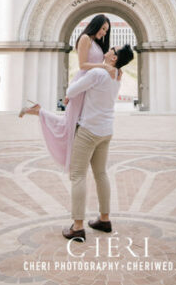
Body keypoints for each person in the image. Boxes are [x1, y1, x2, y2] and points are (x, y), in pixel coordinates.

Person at [19, 14, 110, 172]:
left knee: (77, 121)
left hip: (89, 85)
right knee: (69, 123)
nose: (104, 33)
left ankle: (39, 111)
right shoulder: (85, 39)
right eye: (103, 29)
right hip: (82, 84)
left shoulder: (95, 42)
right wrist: (103, 67)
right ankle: (38, 112)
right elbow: (82, 65)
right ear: (96, 25)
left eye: (106, 31)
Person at [62, 44, 134, 241]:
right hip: (106, 131)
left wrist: (97, 68)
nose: (109, 48)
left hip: (88, 130)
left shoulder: (98, 74)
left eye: (112, 49)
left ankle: (77, 226)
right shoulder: (118, 75)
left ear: (113, 57)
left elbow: (71, 89)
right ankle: (104, 219)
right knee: (101, 174)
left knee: (77, 175)